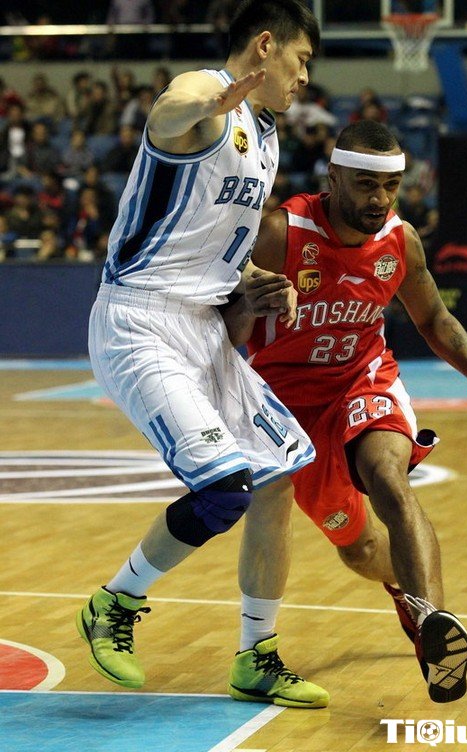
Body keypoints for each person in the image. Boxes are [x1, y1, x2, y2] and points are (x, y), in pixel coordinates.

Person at [221, 120, 467, 703]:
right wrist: (247, 305)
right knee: (361, 550)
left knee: (389, 478)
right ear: (334, 177)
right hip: (287, 407)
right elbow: (223, 328)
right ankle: (401, 586)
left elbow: (433, 318)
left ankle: (434, 628)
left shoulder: (400, 240)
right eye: (367, 185)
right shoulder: (279, 233)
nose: (380, 199)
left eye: (391, 186)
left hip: (363, 378)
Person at [77, 0, 329, 710]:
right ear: (265, 45)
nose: (305, 77)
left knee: (277, 476)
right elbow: (168, 115)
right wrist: (206, 102)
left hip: (203, 326)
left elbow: (208, 240)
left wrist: (255, 281)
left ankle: (256, 656)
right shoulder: (207, 99)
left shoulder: (265, 136)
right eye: (301, 59)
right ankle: (115, 603)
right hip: (142, 321)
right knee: (224, 490)